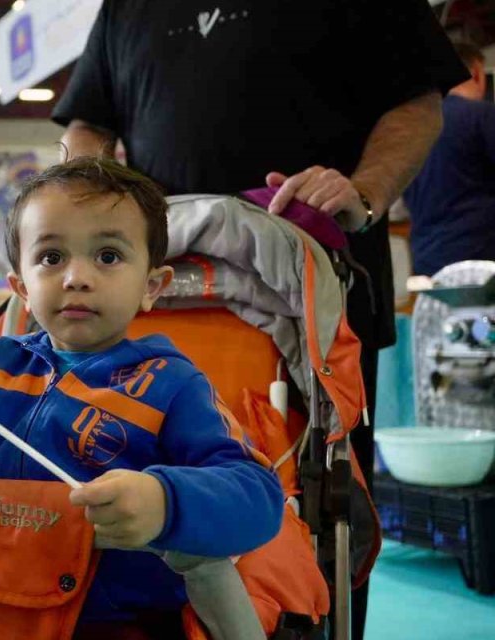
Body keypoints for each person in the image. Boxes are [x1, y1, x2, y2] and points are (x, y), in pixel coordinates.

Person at [51, 4, 469, 635]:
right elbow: (89, 123)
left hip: (318, 303)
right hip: (154, 300)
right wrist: (89, 200)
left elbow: (417, 101)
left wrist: (361, 189)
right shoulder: (128, 8)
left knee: (316, 504)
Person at [0, 158, 284, 637]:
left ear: (152, 287)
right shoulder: (1, 368)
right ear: (21, 289)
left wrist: (165, 501)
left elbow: (257, 494)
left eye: (108, 256)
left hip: (115, 617)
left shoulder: (172, 385)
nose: (76, 277)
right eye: (52, 258)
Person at [402, 40, 495, 276]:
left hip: (427, 258)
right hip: (480, 258)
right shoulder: (482, 116)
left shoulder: (412, 128)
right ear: (475, 72)